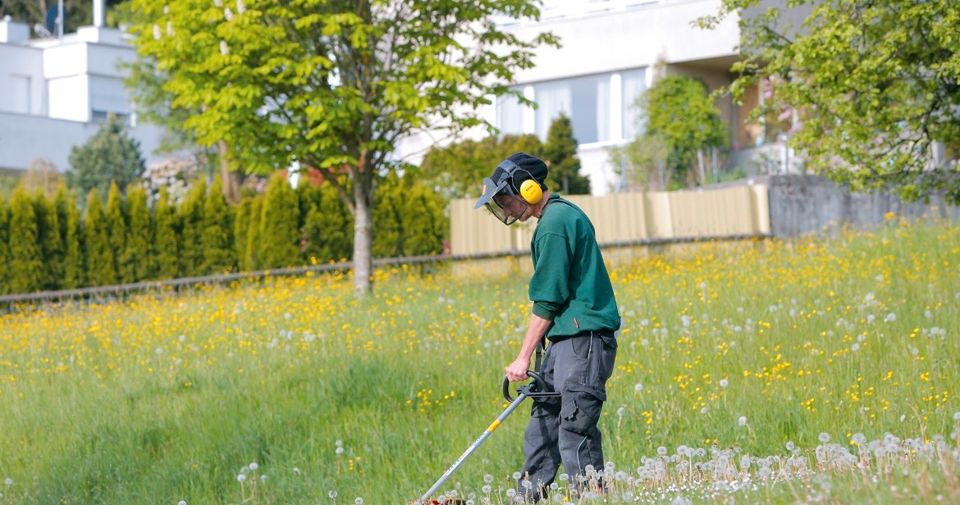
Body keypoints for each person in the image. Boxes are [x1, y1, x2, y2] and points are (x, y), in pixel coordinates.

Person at [474, 152, 621, 501]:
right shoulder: (553, 220)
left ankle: (592, 498)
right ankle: (527, 499)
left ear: (526, 189)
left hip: (582, 340)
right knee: (542, 429)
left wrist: (523, 357)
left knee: (575, 429)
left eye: (505, 200)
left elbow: (548, 300)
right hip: (563, 342)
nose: (505, 210)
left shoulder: (555, 224)